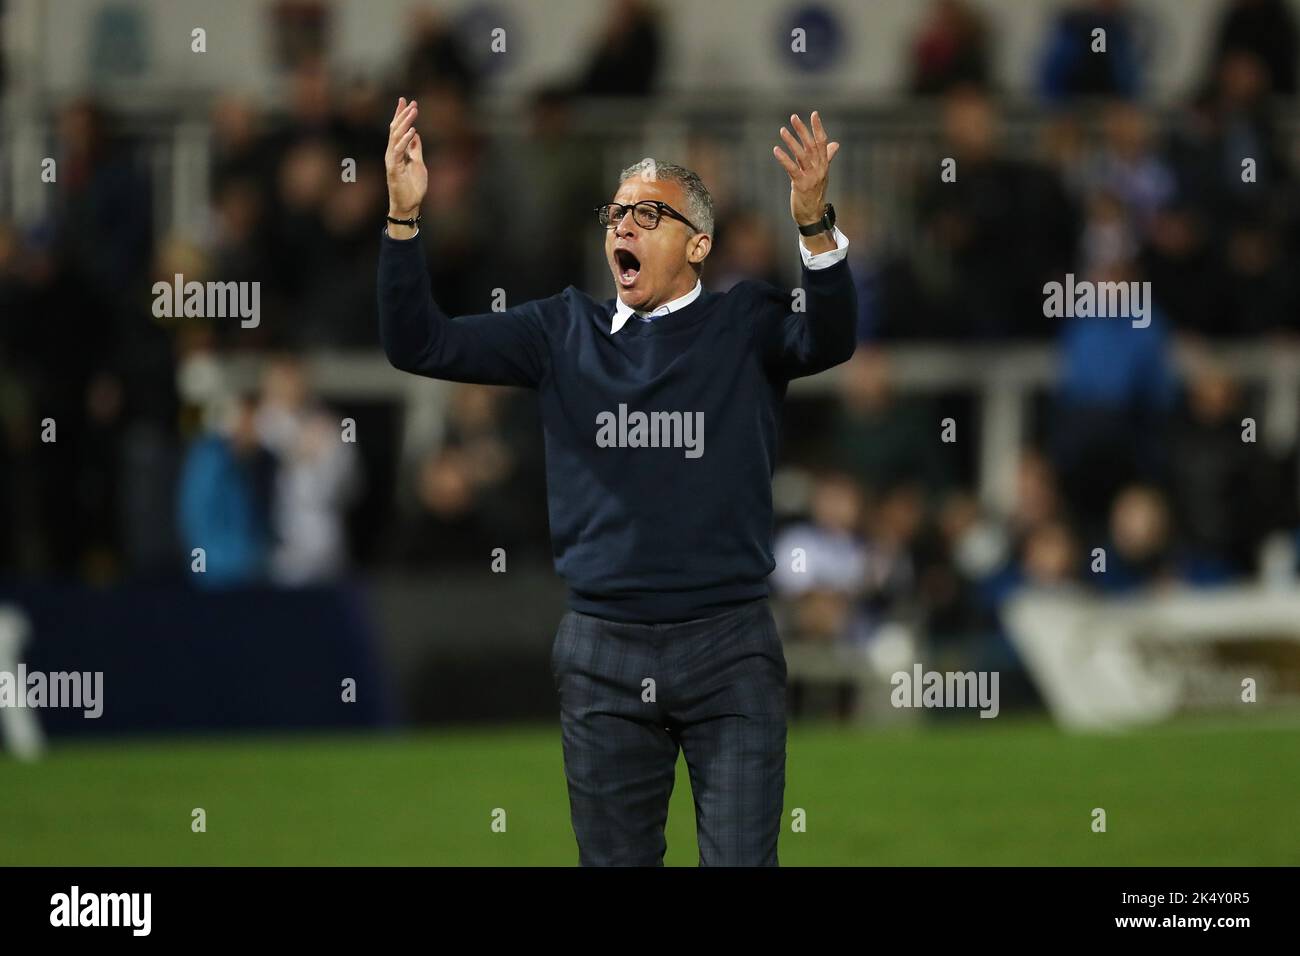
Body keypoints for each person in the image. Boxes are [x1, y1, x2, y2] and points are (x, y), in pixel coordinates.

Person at [378, 98, 856, 865]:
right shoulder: (559, 332)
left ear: (698, 244)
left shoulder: (746, 324)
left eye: (647, 215)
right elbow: (418, 344)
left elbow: (831, 337)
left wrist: (813, 225)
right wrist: (404, 222)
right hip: (602, 653)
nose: (622, 228)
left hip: (728, 649)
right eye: (615, 214)